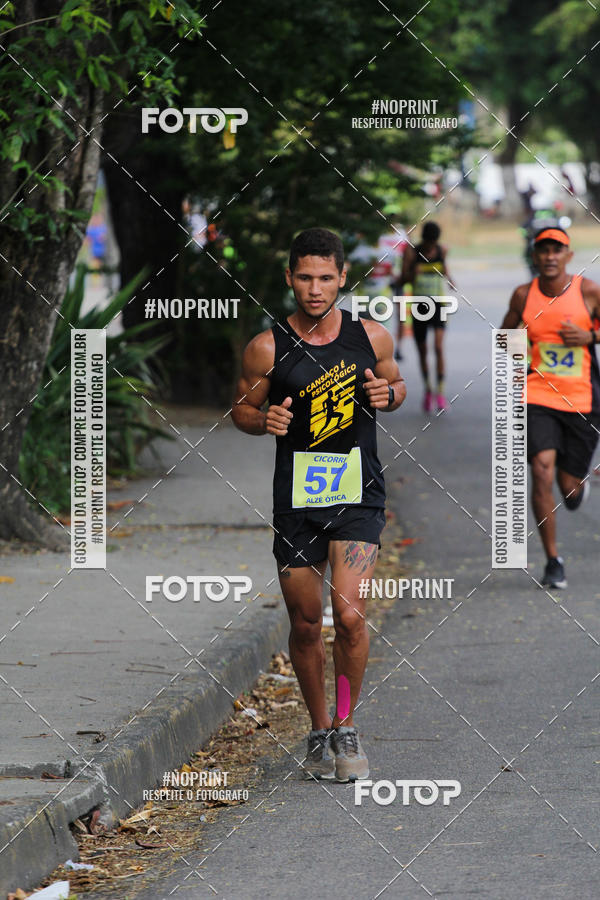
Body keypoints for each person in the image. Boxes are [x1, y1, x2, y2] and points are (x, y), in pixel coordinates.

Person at [231, 227, 406, 782]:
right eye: (304, 277)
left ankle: (347, 724)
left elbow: (396, 385)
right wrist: (264, 422)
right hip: (297, 502)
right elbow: (240, 409)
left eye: (325, 277)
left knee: (349, 615)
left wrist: (389, 395)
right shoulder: (268, 347)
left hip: (359, 494)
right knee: (307, 623)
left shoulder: (371, 337)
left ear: (341, 279)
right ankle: (318, 726)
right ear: (289, 278)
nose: (315, 288)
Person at [501, 227, 600, 588]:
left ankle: (577, 485)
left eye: (556, 250)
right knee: (541, 471)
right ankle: (553, 560)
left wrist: (590, 337)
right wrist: (515, 354)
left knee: (569, 491)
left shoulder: (587, 291)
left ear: (568, 256)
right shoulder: (523, 295)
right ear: (535, 256)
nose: (549, 257)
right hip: (537, 395)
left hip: (583, 400)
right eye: (543, 250)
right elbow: (504, 336)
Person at [400, 221, 455, 412]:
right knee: (423, 350)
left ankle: (440, 394)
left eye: (434, 244)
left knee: (438, 347)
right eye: (429, 243)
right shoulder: (411, 252)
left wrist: (450, 280)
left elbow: (445, 270)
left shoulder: (442, 250)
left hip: (438, 305)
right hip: (419, 306)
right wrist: (412, 276)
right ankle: (428, 390)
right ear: (423, 240)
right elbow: (402, 278)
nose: (431, 247)